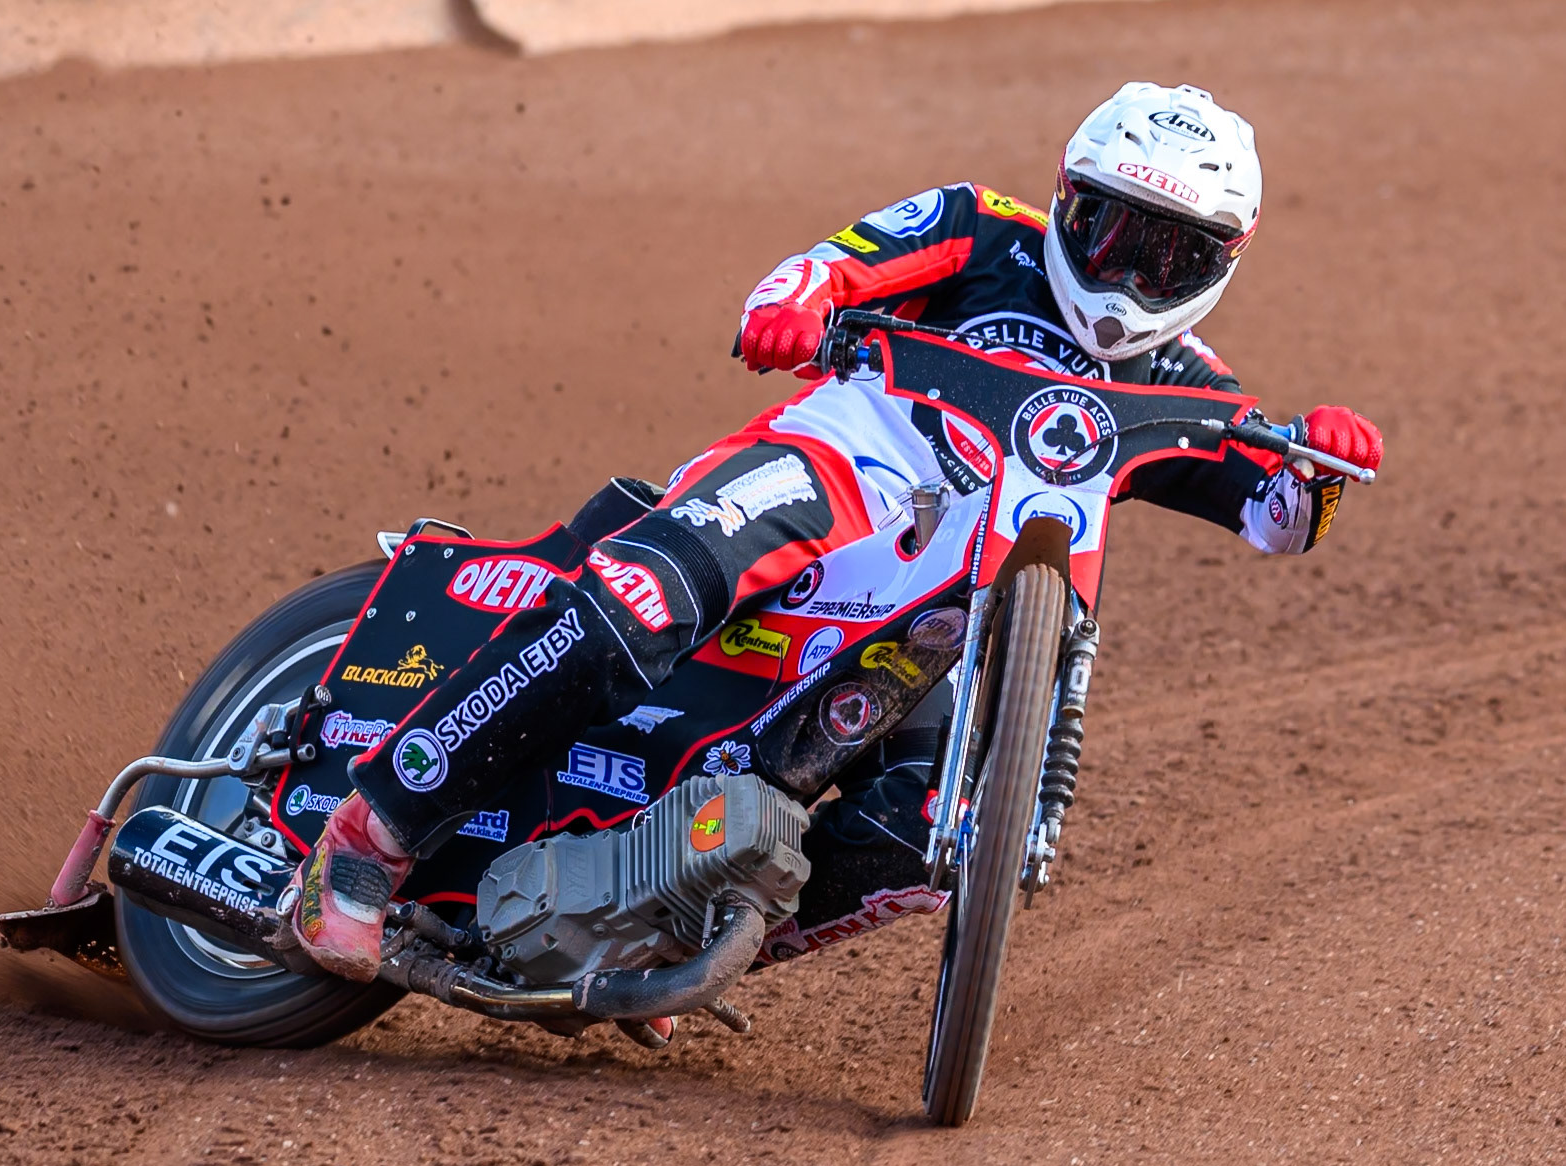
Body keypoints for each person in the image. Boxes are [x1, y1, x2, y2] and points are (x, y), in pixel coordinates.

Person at [286, 82, 1384, 982]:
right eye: (1109, 231)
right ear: (1065, 198)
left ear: (1221, 265)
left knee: (919, 835)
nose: (1128, 277)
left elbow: (1279, 519)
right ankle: (372, 830)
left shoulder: (1189, 388)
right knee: (645, 596)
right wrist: (795, 306)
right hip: (830, 471)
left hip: (938, 610)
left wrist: (1323, 467)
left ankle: (665, 936)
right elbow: (827, 265)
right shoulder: (975, 226)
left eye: (1171, 258)